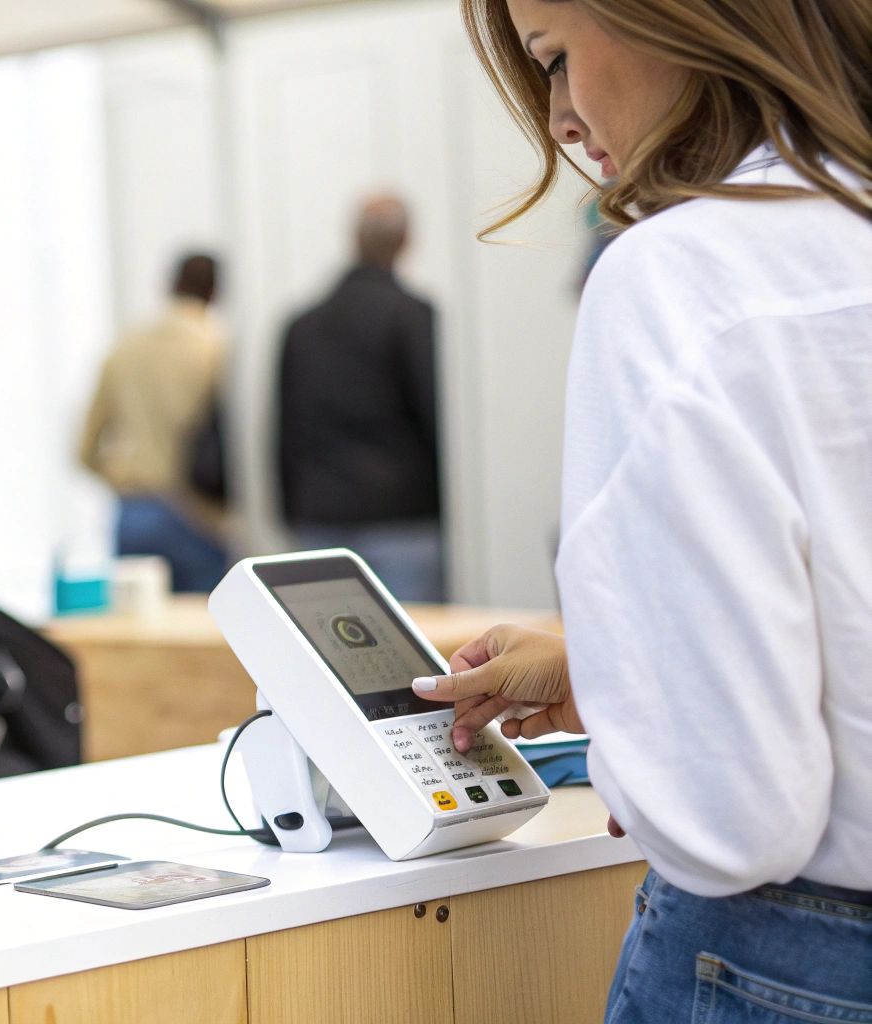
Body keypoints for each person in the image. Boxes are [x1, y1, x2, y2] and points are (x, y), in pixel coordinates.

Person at [411, 0, 872, 1019]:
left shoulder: (680, 273)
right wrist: (604, 670)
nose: (560, 118)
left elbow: (728, 817)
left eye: (554, 56)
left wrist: (638, 738)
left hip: (787, 965)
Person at [276, 195, 444, 602]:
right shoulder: (414, 316)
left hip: (321, 514)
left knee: (327, 657)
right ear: (406, 241)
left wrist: (291, 509)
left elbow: (285, 429)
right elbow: (433, 418)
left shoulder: (303, 324)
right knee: (412, 657)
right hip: (403, 514)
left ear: (353, 238)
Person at [78, 253, 230, 593]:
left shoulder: (124, 348)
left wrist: (123, 479)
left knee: (140, 636)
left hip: (135, 510)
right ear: (215, 292)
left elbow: (84, 448)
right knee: (204, 634)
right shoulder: (216, 348)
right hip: (197, 514)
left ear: (170, 285)